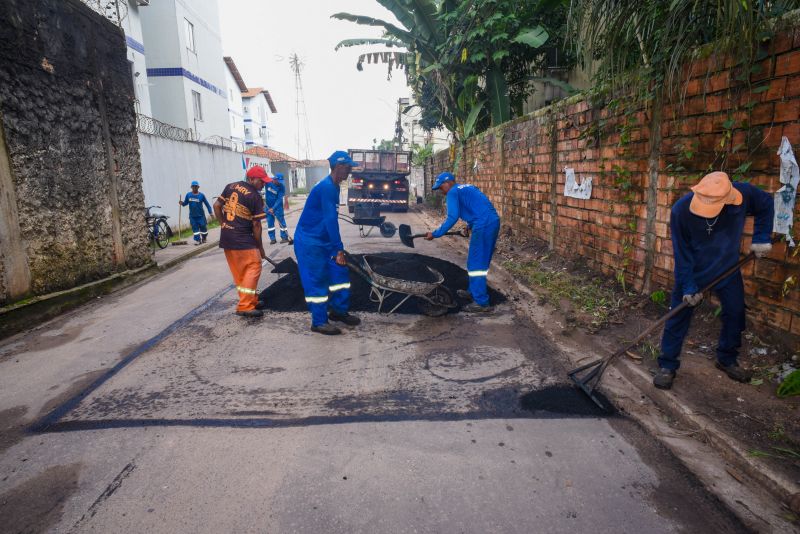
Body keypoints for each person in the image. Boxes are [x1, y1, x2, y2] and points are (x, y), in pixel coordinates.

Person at [654, 171, 774, 390]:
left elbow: (766, 203)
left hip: (727, 269)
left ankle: (726, 358)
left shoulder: (743, 194)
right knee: (679, 314)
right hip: (694, 270)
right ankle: (667, 364)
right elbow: (682, 254)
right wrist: (689, 287)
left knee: (735, 314)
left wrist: (761, 239)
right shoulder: (681, 210)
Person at [293, 150, 361, 335]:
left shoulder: (335, 185)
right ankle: (319, 322)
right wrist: (339, 249)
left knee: (340, 274)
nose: (350, 172)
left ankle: (338, 311)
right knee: (317, 281)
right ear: (339, 167)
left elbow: (329, 220)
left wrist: (334, 246)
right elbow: (331, 220)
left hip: (324, 240)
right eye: (348, 168)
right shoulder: (326, 187)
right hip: (310, 242)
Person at [425, 172, 500, 312]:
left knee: (476, 265)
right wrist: (469, 226)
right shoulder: (467, 187)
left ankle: (481, 303)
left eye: (441, 188)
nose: (441, 192)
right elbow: (479, 208)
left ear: (448, 183)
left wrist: (435, 234)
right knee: (479, 262)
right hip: (491, 222)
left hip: (483, 225)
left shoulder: (452, 193)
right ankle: (473, 291)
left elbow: (452, 217)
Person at [213, 166, 271, 318]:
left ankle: (250, 299)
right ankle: (245, 306)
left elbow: (216, 206)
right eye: (261, 182)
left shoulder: (230, 186)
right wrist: (260, 248)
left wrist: (223, 224)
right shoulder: (255, 196)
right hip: (242, 239)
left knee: (241, 273)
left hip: (227, 239)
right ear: (251, 179)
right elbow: (257, 225)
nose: (263, 185)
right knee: (254, 266)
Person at [179, 180, 213, 245]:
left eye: (196, 186)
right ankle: (198, 240)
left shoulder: (202, 195)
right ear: (191, 187)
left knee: (203, 228)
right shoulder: (188, 195)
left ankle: (204, 238)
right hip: (192, 216)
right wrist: (182, 203)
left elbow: (207, 204)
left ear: (198, 187)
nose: (194, 188)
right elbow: (185, 203)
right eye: (193, 186)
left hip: (201, 216)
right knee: (195, 229)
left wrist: (210, 212)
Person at [265, 172, 292, 244]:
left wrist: (273, 208)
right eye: (278, 181)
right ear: (275, 179)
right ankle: (272, 239)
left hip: (278, 207)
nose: (279, 183)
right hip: (268, 206)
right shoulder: (268, 182)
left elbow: (279, 199)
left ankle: (284, 237)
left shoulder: (281, 187)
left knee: (282, 222)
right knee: (270, 223)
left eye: (281, 182)